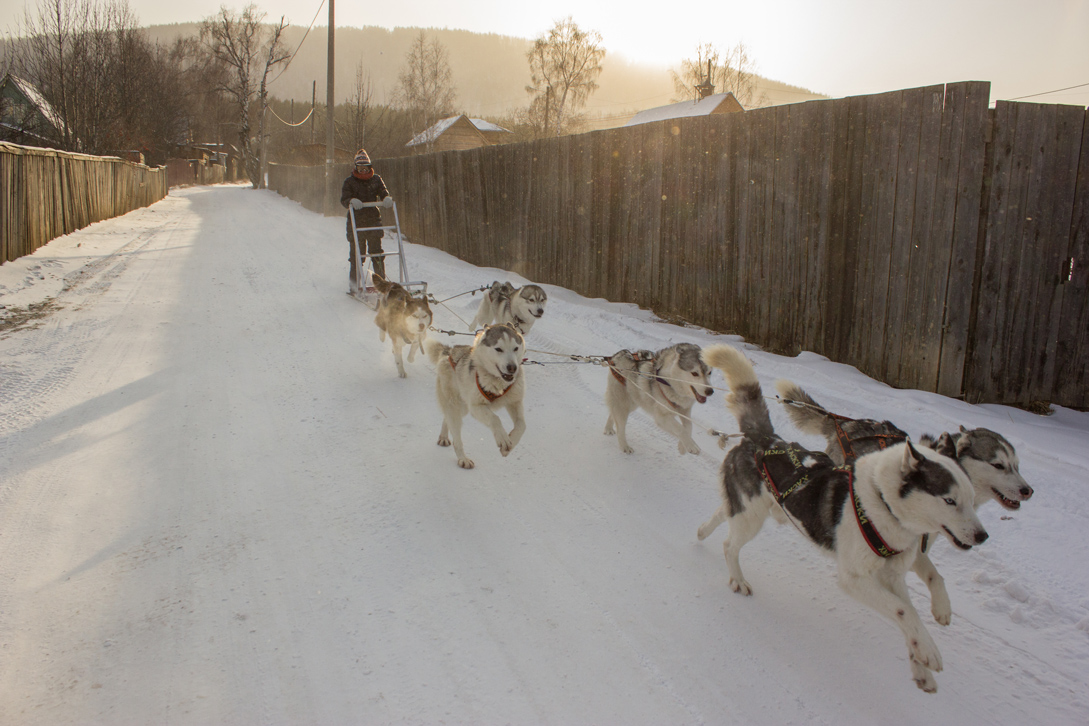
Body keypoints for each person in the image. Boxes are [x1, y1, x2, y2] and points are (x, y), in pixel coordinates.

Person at [340, 149, 390, 288]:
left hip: (373, 220)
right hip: (356, 222)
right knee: (357, 254)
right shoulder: (349, 182)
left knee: (377, 254)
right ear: (356, 167)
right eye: (360, 168)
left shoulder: (376, 179)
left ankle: (382, 285)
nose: (363, 171)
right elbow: (343, 199)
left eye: (365, 168)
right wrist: (351, 200)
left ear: (370, 167)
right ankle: (354, 284)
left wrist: (386, 198)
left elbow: (383, 191)